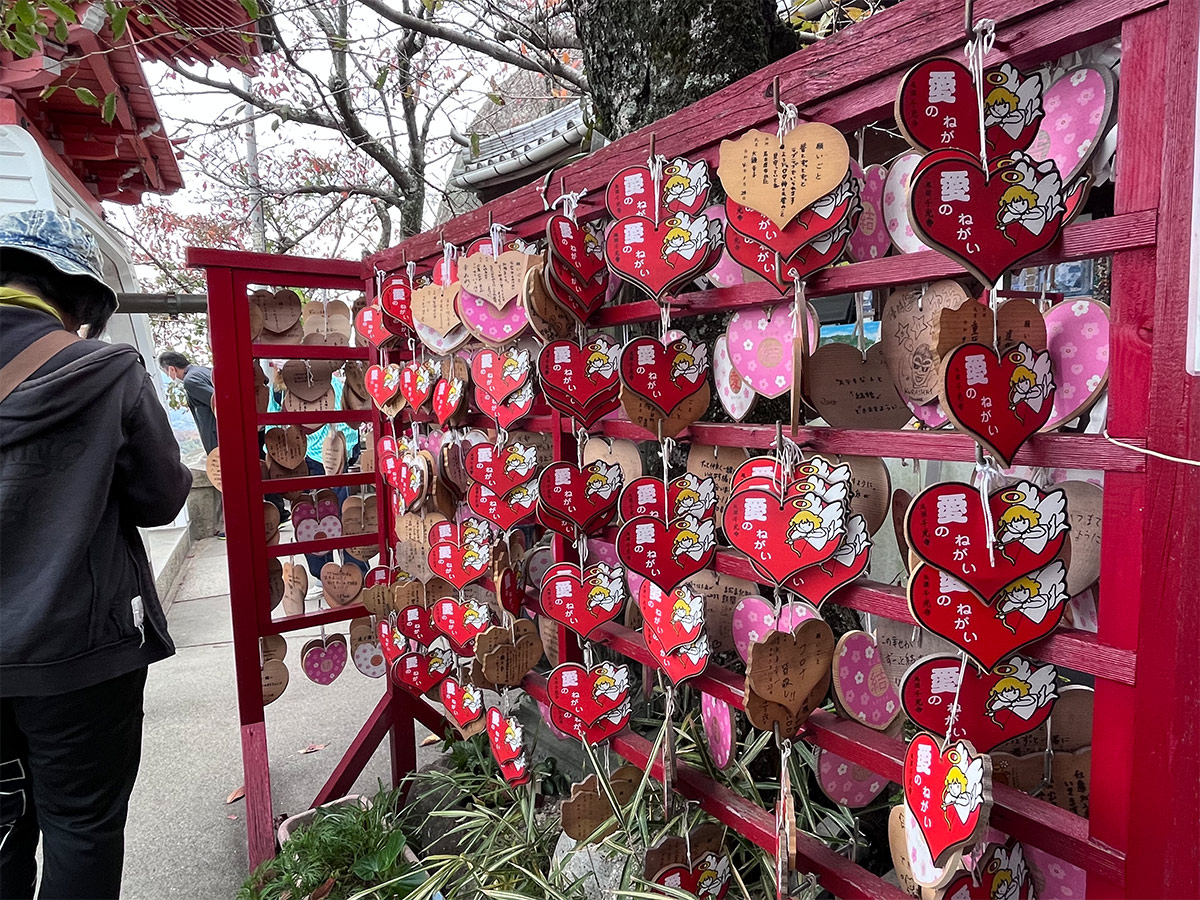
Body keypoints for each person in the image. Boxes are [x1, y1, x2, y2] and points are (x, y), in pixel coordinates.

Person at [0, 210, 192, 899]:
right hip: (79, 647)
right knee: (82, 827)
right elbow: (161, 497)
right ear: (77, 299)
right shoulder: (105, 369)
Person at [157, 350, 217, 456]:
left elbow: (219, 403)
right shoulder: (203, 370)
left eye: (166, 373)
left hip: (217, 438)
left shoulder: (190, 381)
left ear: (171, 369)